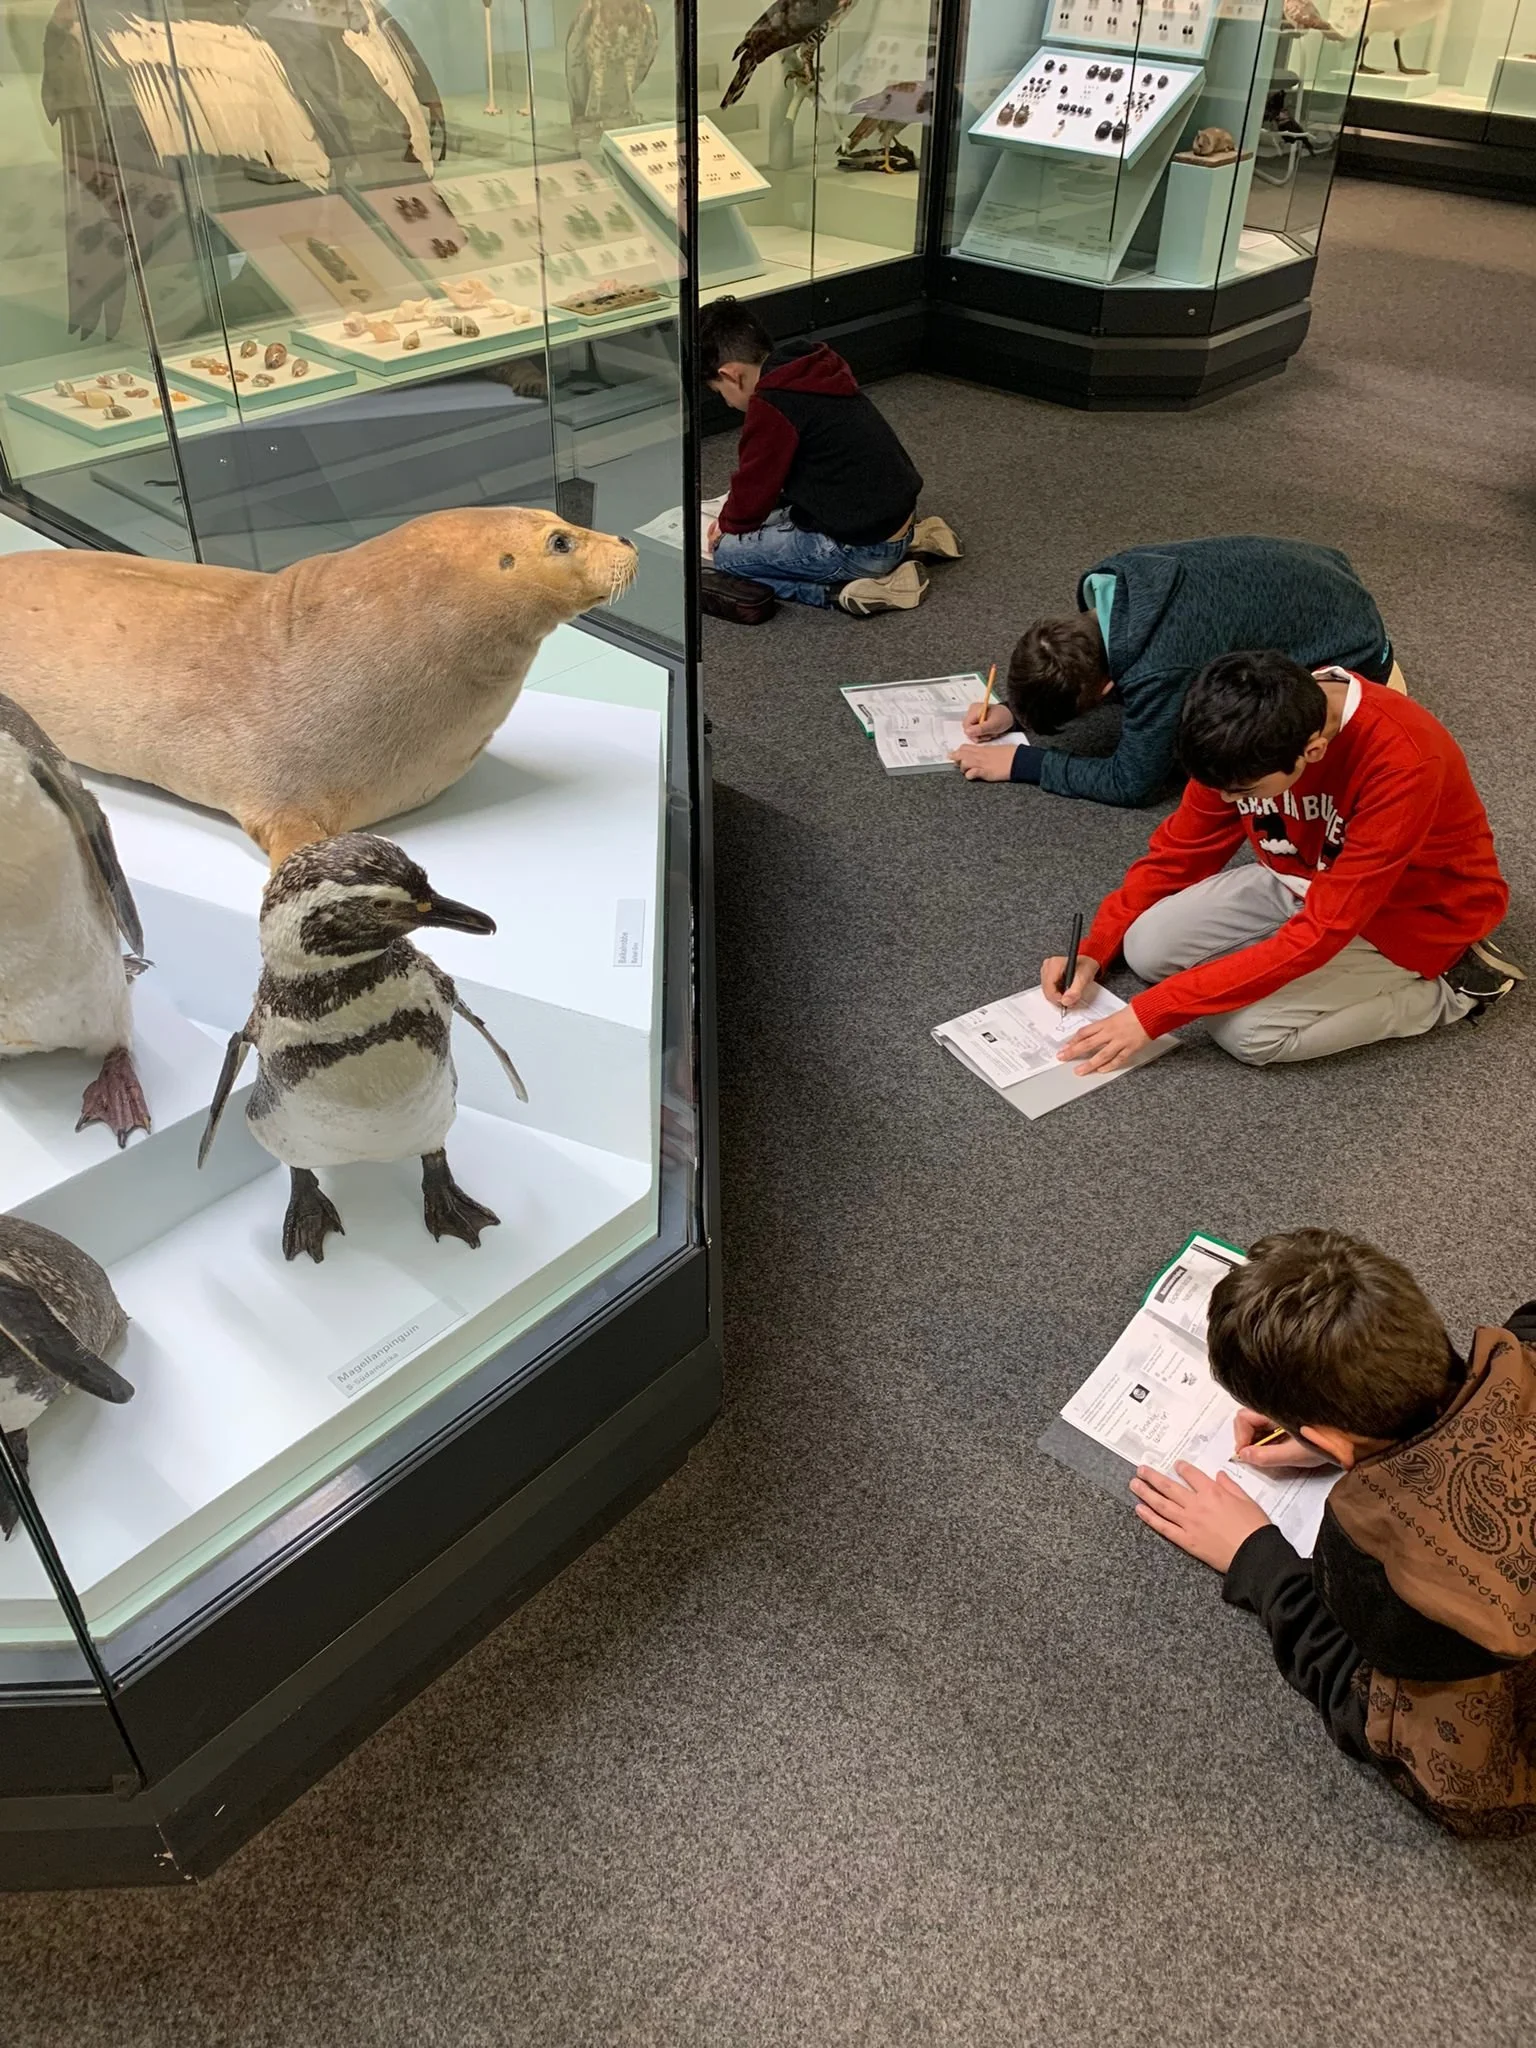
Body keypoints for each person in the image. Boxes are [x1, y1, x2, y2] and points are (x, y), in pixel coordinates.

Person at [1129, 1228, 1536, 1836]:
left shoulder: (1369, 1560)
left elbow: (1356, 1690)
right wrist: (1358, 1434)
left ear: (1322, 1439)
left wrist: (1256, 1560)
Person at [1046, 650, 1520, 1072]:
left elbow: (1323, 931)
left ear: (1312, 753)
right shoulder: (1249, 725)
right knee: (1145, 947)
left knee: (1246, 1033)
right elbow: (1180, 851)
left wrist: (1153, 1013)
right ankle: (1277, 958)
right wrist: (1096, 946)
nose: (1229, 801)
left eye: (1243, 794)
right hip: (1302, 876)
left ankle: (1455, 990)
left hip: (1410, 913)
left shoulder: (1405, 762)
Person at [953, 535, 1402, 804]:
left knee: (1233, 744)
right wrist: (1015, 712)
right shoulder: (1112, 583)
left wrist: (1023, 762)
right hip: (1323, 577)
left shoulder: (1163, 665)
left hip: (1353, 654)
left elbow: (1132, 783)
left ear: (1109, 688)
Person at [700, 297, 958, 617]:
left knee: (728, 557)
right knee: (774, 518)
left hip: (864, 547)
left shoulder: (771, 404)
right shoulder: (809, 366)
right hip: (895, 515)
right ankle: (913, 540)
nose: (726, 402)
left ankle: (843, 592)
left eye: (719, 391)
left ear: (731, 375)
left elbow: (755, 485)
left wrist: (728, 525)